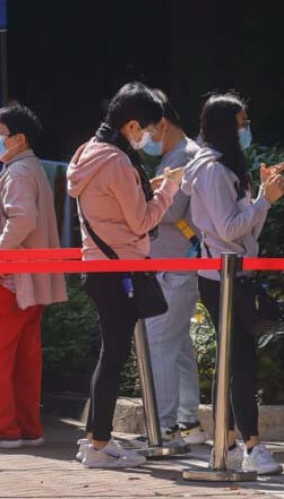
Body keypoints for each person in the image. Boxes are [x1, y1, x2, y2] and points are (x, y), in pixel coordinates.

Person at [66, 82, 182, 469]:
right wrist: (170, 191)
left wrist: (153, 187)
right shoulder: (116, 161)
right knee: (113, 357)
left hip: (99, 266)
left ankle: (94, 440)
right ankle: (99, 444)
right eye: (146, 128)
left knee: (109, 354)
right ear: (132, 124)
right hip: (120, 270)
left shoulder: (88, 152)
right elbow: (141, 220)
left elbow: (116, 207)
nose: (148, 137)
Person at [182, 93, 284, 475]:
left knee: (232, 360)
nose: (246, 129)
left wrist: (261, 197)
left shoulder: (225, 167)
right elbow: (228, 229)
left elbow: (246, 232)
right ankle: (252, 446)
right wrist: (265, 201)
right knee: (239, 361)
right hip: (220, 278)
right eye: (241, 123)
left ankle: (226, 442)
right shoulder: (210, 170)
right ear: (225, 126)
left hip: (233, 275)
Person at [0, 103, 67, 449]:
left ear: (19, 139)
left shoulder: (18, 173)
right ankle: (26, 427)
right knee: (23, 359)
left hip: (4, 283)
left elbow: (23, 220)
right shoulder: (26, 169)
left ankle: (3, 429)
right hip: (22, 284)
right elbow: (16, 219)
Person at [139, 90, 206, 444]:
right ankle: (188, 422)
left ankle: (164, 428)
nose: (143, 138)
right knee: (176, 345)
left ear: (162, 123)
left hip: (177, 266)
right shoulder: (177, 156)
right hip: (178, 264)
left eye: (146, 128)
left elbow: (167, 210)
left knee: (158, 343)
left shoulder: (184, 158)